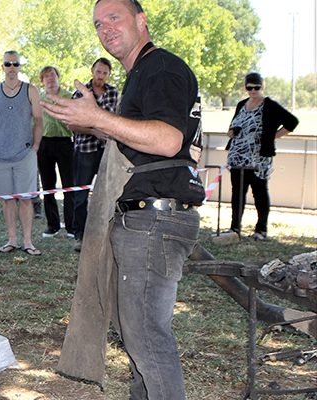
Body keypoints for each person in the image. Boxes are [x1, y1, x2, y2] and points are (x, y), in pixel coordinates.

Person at [43, 0, 205, 397]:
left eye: (114, 17)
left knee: (146, 338)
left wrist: (99, 118)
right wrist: (95, 122)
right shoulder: (141, 74)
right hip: (147, 219)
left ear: (141, 20)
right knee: (139, 339)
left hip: (155, 221)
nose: (105, 28)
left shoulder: (160, 68)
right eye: (98, 24)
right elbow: (144, 141)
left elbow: (168, 140)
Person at [0, 50, 44, 256]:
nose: (11, 67)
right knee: (7, 200)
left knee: (26, 199)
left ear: (19, 66)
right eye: (7, 64)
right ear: (2, 66)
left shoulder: (30, 90)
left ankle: (27, 241)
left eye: (15, 64)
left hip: (24, 154)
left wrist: (35, 147)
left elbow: (38, 120)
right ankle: (12, 240)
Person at [226, 72, 298, 241]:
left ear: (261, 86)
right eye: (249, 87)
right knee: (237, 193)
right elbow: (234, 125)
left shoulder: (270, 105)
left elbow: (292, 122)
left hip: (258, 158)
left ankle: (261, 230)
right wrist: (232, 132)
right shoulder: (241, 104)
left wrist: (273, 135)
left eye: (256, 87)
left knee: (259, 192)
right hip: (237, 156)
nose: (253, 90)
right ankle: (235, 228)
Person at [69, 57, 119, 250]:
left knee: (108, 193)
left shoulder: (113, 93)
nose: (101, 76)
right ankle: (79, 236)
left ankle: (104, 234)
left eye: (104, 73)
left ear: (108, 75)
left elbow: (116, 118)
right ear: (92, 71)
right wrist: (93, 130)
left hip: (108, 149)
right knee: (81, 193)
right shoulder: (80, 94)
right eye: (98, 72)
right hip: (85, 150)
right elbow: (72, 124)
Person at [37, 66, 75, 238]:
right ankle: (52, 225)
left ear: (58, 77)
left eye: (52, 76)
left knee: (69, 185)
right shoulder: (38, 98)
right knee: (48, 186)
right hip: (44, 144)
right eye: (46, 77)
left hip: (64, 143)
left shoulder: (69, 97)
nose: (50, 79)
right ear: (42, 81)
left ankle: (71, 226)